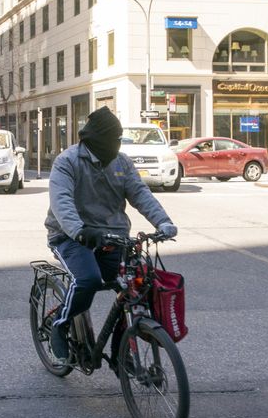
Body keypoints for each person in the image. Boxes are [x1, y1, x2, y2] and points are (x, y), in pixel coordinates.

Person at [44, 106, 178, 362]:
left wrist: (163, 222)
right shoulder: (67, 162)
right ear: (96, 140)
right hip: (71, 236)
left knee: (135, 286)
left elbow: (140, 194)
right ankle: (60, 324)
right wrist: (79, 231)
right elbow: (62, 203)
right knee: (88, 280)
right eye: (112, 139)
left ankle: (121, 351)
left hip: (113, 237)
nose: (116, 145)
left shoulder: (122, 162)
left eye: (119, 139)